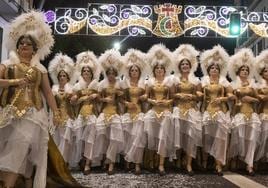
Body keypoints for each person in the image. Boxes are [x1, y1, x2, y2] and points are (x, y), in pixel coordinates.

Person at [0, 11, 59, 188]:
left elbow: (48, 93)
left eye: (28, 43)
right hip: (7, 112)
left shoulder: (40, 69)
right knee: (7, 147)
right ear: (16, 47)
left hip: (34, 113)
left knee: (20, 145)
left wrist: (56, 112)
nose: (24, 45)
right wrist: (15, 81)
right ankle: (21, 180)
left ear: (35, 49)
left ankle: (7, 185)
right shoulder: (7, 64)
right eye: (21, 43)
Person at [199, 45, 232, 176]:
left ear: (220, 70)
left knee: (220, 138)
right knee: (207, 137)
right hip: (207, 111)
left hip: (220, 112)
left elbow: (231, 94)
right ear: (208, 69)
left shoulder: (224, 81)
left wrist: (223, 98)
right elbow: (198, 92)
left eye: (216, 68)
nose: (214, 69)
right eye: (212, 68)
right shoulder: (203, 80)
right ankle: (205, 162)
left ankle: (218, 165)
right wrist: (198, 93)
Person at [228, 48, 261, 175]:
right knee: (238, 137)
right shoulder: (233, 84)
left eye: (247, 70)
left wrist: (251, 98)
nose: (245, 71)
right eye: (243, 69)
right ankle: (235, 159)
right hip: (238, 114)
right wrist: (234, 97)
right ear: (238, 71)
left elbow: (258, 99)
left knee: (251, 139)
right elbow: (229, 97)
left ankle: (249, 165)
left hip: (252, 114)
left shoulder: (253, 84)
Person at [144, 44, 174, 175]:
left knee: (163, 138)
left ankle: (161, 164)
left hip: (165, 112)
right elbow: (146, 97)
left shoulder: (169, 81)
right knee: (151, 137)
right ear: (154, 70)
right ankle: (151, 161)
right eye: (157, 68)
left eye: (162, 68)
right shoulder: (149, 82)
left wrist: (166, 102)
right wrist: (153, 101)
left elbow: (173, 98)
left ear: (165, 70)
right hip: (153, 111)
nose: (159, 70)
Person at [172, 44, 202, 176]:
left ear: (191, 66)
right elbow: (172, 95)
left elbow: (199, 97)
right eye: (183, 64)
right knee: (178, 137)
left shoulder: (196, 80)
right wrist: (178, 95)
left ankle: (189, 164)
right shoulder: (174, 79)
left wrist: (192, 96)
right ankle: (178, 161)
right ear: (179, 66)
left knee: (191, 138)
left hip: (191, 111)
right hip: (178, 110)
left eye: (187, 64)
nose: (185, 66)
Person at [71, 51, 100, 174]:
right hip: (80, 115)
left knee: (90, 139)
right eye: (84, 71)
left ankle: (88, 163)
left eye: (88, 71)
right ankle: (80, 160)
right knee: (78, 139)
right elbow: (73, 102)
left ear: (92, 73)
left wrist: (96, 96)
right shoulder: (77, 86)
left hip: (92, 115)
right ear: (81, 73)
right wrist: (81, 99)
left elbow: (101, 101)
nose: (86, 73)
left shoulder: (97, 85)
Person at [96, 49, 124, 175]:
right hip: (104, 111)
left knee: (115, 137)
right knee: (101, 135)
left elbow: (124, 97)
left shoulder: (120, 83)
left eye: (113, 73)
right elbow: (97, 98)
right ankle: (104, 159)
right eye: (109, 73)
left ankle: (111, 162)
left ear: (116, 74)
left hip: (116, 112)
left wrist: (120, 94)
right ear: (106, 74)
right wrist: (104, 99)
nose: (111, 75)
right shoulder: (102, 84)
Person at [122, 49, 148, 174]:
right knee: (128, 138)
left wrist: (144, 97)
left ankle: (137, 164)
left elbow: (147, 97)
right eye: (132, 70)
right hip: (128, 113)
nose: (134, 72)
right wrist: (127, 103)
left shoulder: (144, 83)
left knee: (138, 138)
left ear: (139, 71)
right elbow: (121, 99)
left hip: (139, 113)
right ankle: (128, 162)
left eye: (136, 70)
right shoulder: (125, 82)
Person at [48, 53, 76, 162]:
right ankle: (56, 162)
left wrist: (74, 98)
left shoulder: (71, 89)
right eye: (60, 76)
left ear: (68, 77)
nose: (62, 77)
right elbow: (50, 103)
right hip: (57, 117)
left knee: (66, 139)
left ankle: (64, 161)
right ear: (57, 77)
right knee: (56, 139)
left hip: (68, 117)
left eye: (64, 76)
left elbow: (74, 103)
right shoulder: (54, 89)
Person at [255, 50, 268, 162]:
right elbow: (260, 98)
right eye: (266, 71)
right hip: (264, 113)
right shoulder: (258, 86)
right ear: (261, 73)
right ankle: (259, 160)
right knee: (263, 138)